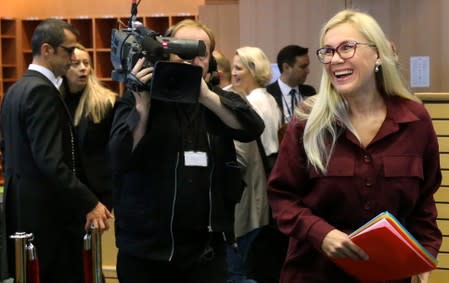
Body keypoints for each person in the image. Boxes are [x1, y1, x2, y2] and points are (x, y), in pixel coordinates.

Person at [267, 9, 442, 283]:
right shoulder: (307, 122)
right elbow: (281, 197)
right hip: (314, 272)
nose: (336, 59)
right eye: (328, 51)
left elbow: (424, 202)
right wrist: (320, 233)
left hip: (388, 274)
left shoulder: (415, 120)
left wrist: (425, 254)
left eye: (347, 47)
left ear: (378, 54)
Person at [109, 19, 265, 283]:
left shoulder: (215, 101)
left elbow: (251, 127)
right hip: (147, 254)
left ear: (210, 62)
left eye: (199, 52)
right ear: (166, 54)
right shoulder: (139, 98)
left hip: (205, 253)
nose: (190, 60)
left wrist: (204, 95)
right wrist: (142, 106)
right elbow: (120, 155)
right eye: (183, 51)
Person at [0, 19, 112, 283]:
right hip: (48, 220)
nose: (74, 57)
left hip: (22, 212)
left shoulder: (15, 90)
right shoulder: (42, 91)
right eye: (69, 50)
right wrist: (90, 201)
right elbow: (50, 161)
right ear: (47, 50)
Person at [228, 46, 281, 283]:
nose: (233, 74)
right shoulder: (268, 98)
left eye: (239, 68)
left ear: (253, 70)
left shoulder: (253, 103)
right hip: (262, 190)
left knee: (240, 271)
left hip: (251, 191)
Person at [61, 43, 118, 210]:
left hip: (101, 193)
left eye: (86, 63)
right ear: (64, 68)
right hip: (68, 190)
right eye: (76, 64)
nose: (83, 68)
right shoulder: (55, 102)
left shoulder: (106, 103)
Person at [266, 45, 316, 125]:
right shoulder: (268, 94)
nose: (308, 71)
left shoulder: (309, 92)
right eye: (303, 67)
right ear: (286, 67)